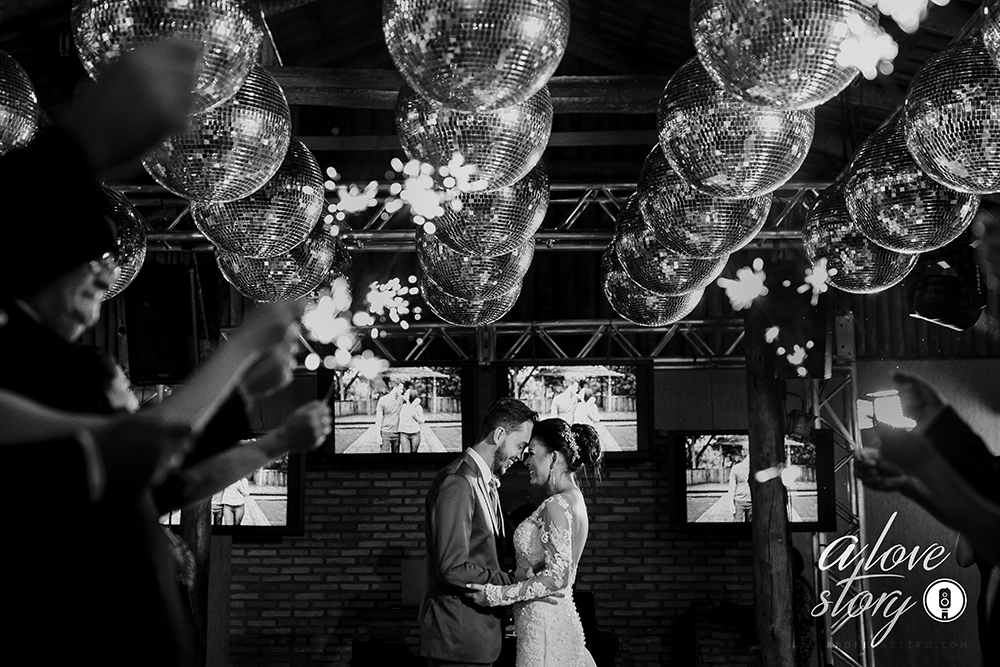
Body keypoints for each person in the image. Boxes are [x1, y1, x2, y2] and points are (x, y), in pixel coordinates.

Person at [466, 418, 604, 667]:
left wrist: (495, 594)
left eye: (531, 453)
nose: (526, 461)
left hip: (544, 629)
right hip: (552, 619)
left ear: (554, 457)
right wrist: (534, 569)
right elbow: (560, 563)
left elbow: (558, 577)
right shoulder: (575, 500)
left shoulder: (555, 506)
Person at [420, 397, 538, 667]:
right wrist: (512, 581)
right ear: (499, 435)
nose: (521, 456)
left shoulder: (483, 482)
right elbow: (452, 567)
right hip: (458, 641)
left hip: (478, 640)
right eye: (520, 445)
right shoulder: (458, 482)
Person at [375, 379, 408, 454]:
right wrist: (378, 435)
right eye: (401, 389)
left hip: (397, 433)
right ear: (395, 388)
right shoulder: (382, 400)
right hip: (385, 433)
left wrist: (407, 399)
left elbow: (416, 401)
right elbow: (378, 418)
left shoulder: (401, 399)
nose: (402, 391)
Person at [728, 448, 752, 522]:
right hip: (739, 502)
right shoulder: (735, 468)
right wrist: (731, 504)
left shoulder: (755, 469)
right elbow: (731, 487)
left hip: (752, 502)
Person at [399, 388, 425, 453]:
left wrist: (415, 416)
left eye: (406, 393)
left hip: (415, 434)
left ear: (411, 395)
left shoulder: (418, 407)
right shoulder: (402, 406)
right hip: (404, 434)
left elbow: (422, 421)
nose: (404, 393)